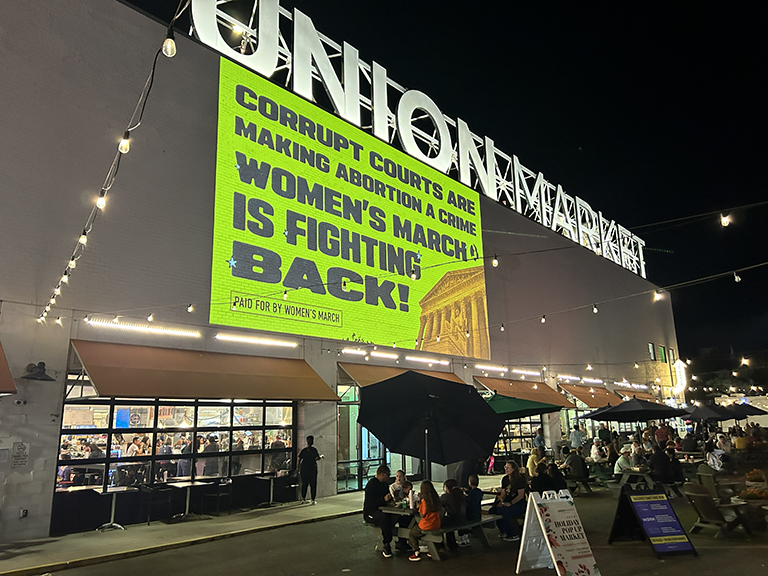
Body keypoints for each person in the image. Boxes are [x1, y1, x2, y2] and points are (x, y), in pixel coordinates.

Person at [363, 465, 396, 558]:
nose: (389, 477)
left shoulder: (384, 484)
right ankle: (386, 544)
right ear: (382, 474)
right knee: (384, 518)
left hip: (383, 509)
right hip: (371, 512)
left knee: (396, 516)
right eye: (388, 475)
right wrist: (383, 499)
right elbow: (370, 503)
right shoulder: (371, 485)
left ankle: (402, 541)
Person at [489, 461, 527, 541]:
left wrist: (510, 503)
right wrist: (501, 501)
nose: (506, 469)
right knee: (493, 510)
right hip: (507, 502)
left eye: (508, 468)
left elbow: (520, 495)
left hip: (518, 503)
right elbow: (503, 493)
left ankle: (513, 533)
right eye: (505, 467)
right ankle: (503, 530)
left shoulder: (519, 479)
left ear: (513, 469)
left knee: (504, 512)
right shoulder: (505, 479)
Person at [408, 480, 441, 561]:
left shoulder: (424, 501)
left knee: (412, 533)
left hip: (426, 525)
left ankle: (416, 551)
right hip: (436, 523)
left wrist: (419, 506)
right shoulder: (436, 498)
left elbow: (422, 515)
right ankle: (433, 548)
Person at [440, 478, 467, 550]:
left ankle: (442, 544)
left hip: (454, 520)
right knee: (448, 521)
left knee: (441, 522)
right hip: (464, 519)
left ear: (447, 487)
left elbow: (438, 503)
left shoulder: (446, 497)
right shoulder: (461, 495)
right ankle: (451, 544)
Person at [298, 435, 321, 504]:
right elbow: (316, 458)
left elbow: (299, 459)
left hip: (304, 469)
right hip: (312, 468)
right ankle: (313, 499)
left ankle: (303, 498)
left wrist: (298, 468)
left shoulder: (304, 450)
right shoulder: (314, 450)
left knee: (304, 484)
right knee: (313, 484)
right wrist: (320, 457)